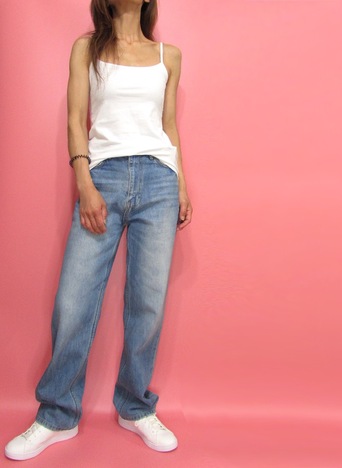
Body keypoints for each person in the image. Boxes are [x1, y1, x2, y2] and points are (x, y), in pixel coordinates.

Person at [5, 0, 192, 461]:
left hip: (159, 182)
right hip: (102, 177)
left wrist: (182, 186)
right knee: (73, 301)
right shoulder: (86, 49)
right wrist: (84, 183)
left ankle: (135, 407)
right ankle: (57, 415)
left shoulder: (168, 55)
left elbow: (168, 127)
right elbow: (76, 120)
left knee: (148, 304)